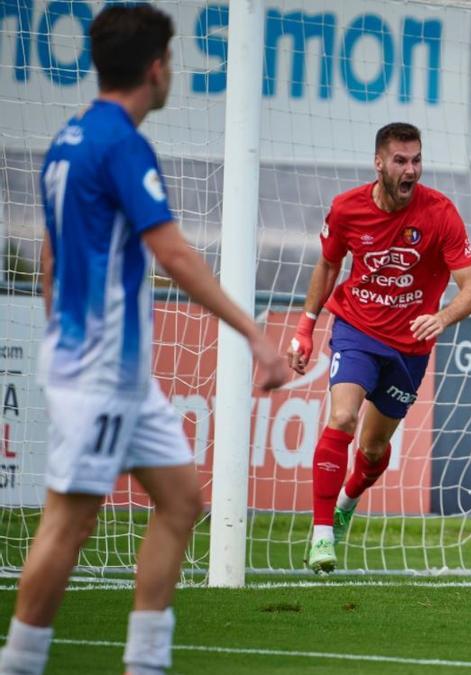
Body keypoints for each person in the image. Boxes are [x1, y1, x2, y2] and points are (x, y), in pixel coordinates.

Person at [0, 6, 290, 674]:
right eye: (172, 60)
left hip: (111, 373)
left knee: (182, 499)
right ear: (156, 66)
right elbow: (176, 256)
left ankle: (146, 663)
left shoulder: (69, 138)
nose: (172, 74)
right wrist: (254, 335)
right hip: (100, 371)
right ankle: (19, 662)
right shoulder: (121, 144)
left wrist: (63, 335)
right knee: (69, 521)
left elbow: (49, 258)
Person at [287, 122, 471, 575]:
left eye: (416, 160)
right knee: (342, 418)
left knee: (373, 451)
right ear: (379, 162)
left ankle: (346, 503)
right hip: (357, 329)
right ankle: (320, 536)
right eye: (400, 160)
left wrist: (443, 316)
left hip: (410, 347)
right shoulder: (346, 209)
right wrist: (305, 326)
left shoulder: (441, 213)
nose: (410, 169)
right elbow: (329, 265)